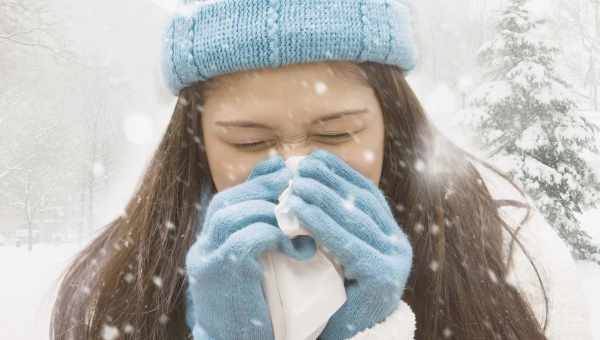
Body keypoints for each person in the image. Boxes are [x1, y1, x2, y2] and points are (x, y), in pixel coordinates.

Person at [50, 0, 592, 339]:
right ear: (195, 144)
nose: (294, 167)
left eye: (335, 134)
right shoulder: (115, 285)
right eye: (250, 140)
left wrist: (376, 328)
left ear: (391, 126)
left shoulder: (509, 256)